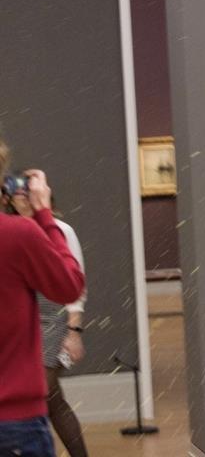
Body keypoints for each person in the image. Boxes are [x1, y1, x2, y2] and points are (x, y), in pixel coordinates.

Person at [0, 138, 85, 457]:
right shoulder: (19, 234)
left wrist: (73, 329)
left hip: (49, 324)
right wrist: (44, 216)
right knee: (54, 398)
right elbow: (70, 285)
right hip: (14, 417)